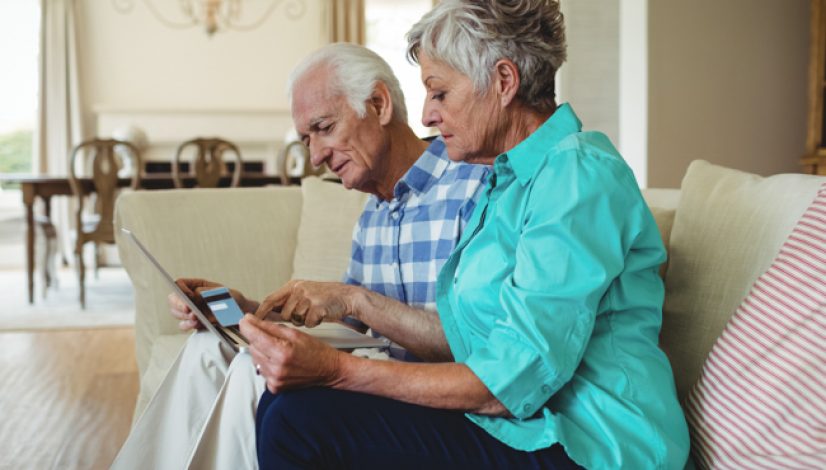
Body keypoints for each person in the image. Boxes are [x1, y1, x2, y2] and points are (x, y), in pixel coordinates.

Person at [242, 1, 691, 468]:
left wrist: (338, 371)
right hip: (522, 425)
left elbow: (509, 381)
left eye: (439, 93)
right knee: (283, 405)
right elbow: (473, 342)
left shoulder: (577, 174)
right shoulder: (508, 182)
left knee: (298, 419)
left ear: (502, 82)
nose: (428, 115)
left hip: (593, 443)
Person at [110, 43, 489, 470]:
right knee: (208, 350)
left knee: (252, 377)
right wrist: (250, 313)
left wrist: (351, 299)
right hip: (383, 381)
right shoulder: (374, 212)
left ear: (379, 104)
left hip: (444, 406)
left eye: (324, 127)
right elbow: (359, 329)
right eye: (307, 139)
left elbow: (482, 347)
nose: (315, 157)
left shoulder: (476, 186)